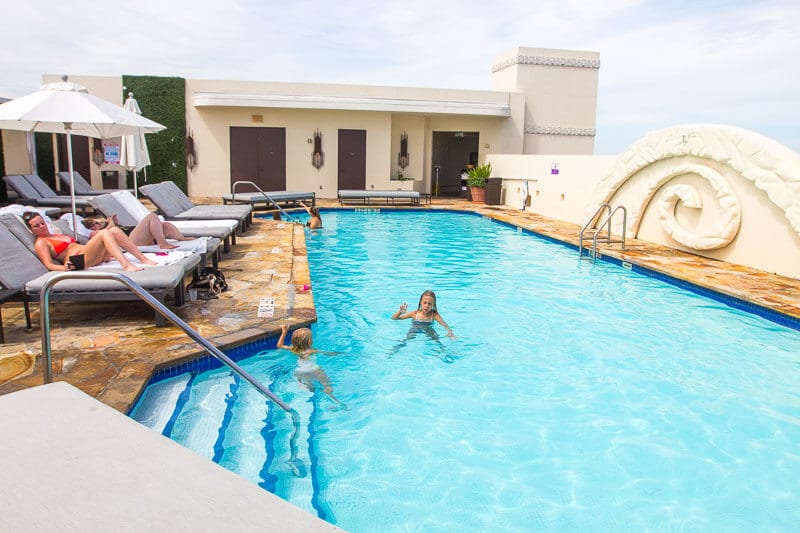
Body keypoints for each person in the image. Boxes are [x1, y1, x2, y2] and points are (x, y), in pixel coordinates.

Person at [23, 211, 157, 272]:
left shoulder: (55, 234)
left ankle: (142, 258)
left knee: (114, 231)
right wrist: (64, 268)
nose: (41, 227)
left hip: (89, 255)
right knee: (104, 232)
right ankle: (126, 265)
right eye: (36, 226)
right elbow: (49, 264)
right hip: (79, 260)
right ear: (31, 230)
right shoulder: (41, 242)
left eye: (42, 223)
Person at [277, 324, 342, 404]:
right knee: (327, 384)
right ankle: (333, 399)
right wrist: (336, 353)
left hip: (300, 371)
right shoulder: (312, 351)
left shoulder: (293, 349)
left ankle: (314, 398)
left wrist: (284, 332)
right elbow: (327, 353)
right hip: (314, 369)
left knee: (311, 387)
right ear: (309, 341)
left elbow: (279, 345)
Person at [83, 213, 196, 250]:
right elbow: (106, 236)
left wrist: (114, 223)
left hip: (134, 236)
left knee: (165, 225)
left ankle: (181, 238)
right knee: (152, 216)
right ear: (91, 227)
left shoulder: (106, 228)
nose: (99, 224)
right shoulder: (94, 234)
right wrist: (111, 224)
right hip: (131, 241)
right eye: (96, 223)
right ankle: (163, 243)